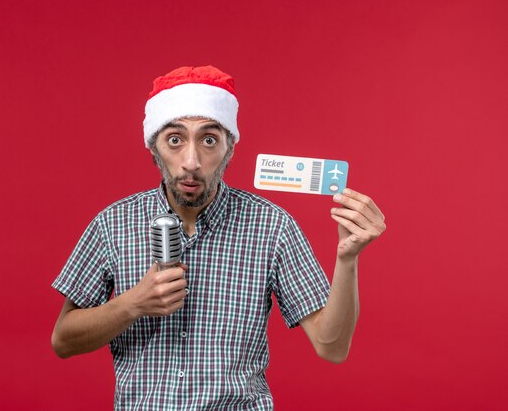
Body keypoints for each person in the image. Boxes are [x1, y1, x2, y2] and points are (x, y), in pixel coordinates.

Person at [51, 65, 386, 410]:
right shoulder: (113, 224)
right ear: (154, 147)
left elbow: (332, 347)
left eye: (209, 140)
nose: (191, 162)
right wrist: (132, 303)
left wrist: (347, 259)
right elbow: (63, 340)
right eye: (175, 140)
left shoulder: (271, 226)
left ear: (230, 149)